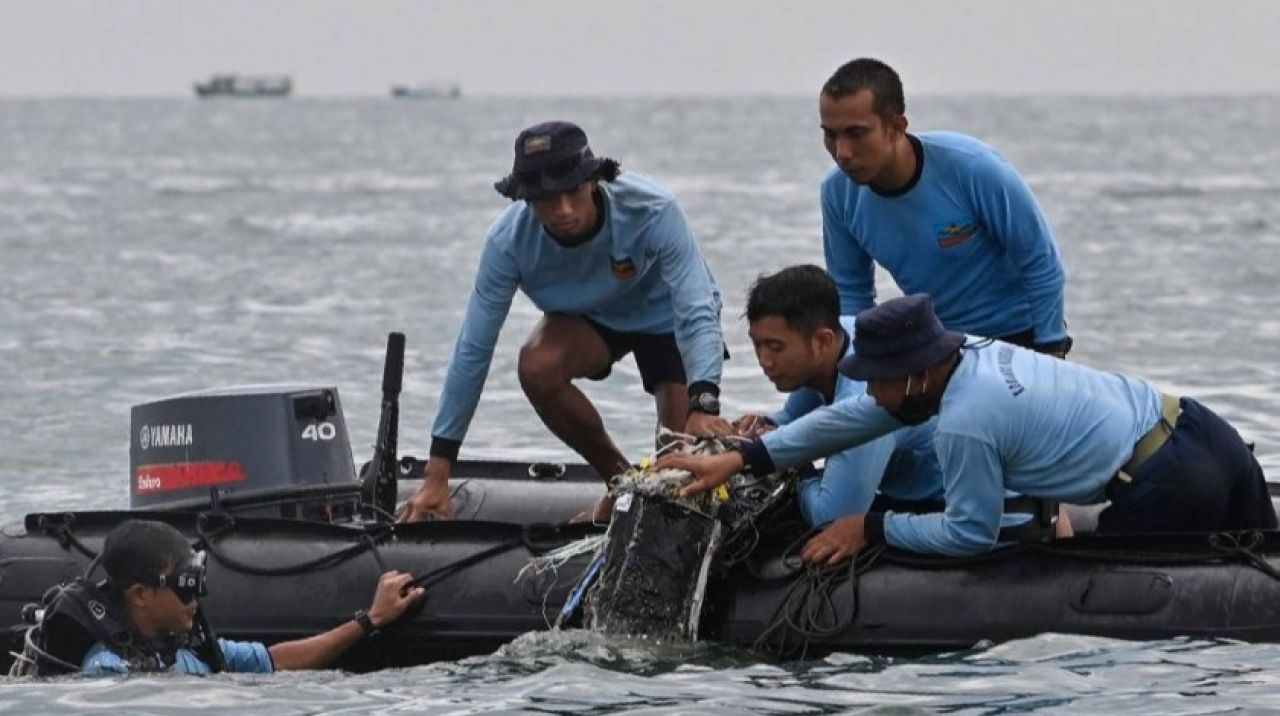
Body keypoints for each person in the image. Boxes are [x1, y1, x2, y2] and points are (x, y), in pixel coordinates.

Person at [661, 295, 1276, 561]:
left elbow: (971, 534)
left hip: (1167, 483)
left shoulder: (965, 424)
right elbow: (855, 418)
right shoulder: (968, 355)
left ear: (915, 374)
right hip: (1206, 430)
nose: (869, 389)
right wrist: (743, 458)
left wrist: (870, 526)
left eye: (877, 377)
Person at [400, 120, 731, 524]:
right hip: (593, 317)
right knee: (536, 366)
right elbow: (473, 350)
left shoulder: (653, 209)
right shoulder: (507, 243)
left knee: (675, 474)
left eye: (573, 192)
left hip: (668, 314)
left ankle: (660, 485)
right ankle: (621, 483)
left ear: (593, 181)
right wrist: (438, 473)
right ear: (524, 198)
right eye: (545, 199)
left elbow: (696, 308)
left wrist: (704, 401)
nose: (564, 211)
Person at [819, 58, 1071, 356]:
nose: (842, 152)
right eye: (830, 134)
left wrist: (1052, 351)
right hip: (941, 345)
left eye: (856, 134)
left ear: (897, 127)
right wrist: (856, 371)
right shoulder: (837, 193)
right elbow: (851, 293)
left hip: (1023, 337)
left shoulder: (973, 167)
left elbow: (1040, 261)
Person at [21, 519, 424, 676]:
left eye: (198, 580)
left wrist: (369, 620)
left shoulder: (186, 647)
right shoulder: (106, 671)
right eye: (185, 585)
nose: (196, 597)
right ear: (141, 594)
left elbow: (276, 660)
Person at [735, 264, 942, 526]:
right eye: (757, 344)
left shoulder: (868, 393)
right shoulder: (839, 333)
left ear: (823, 340)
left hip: (943, 505)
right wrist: (762, 426)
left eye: (775, 348)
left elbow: (831, 518)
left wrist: (796, 463)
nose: (764, 361)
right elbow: (791, 418)